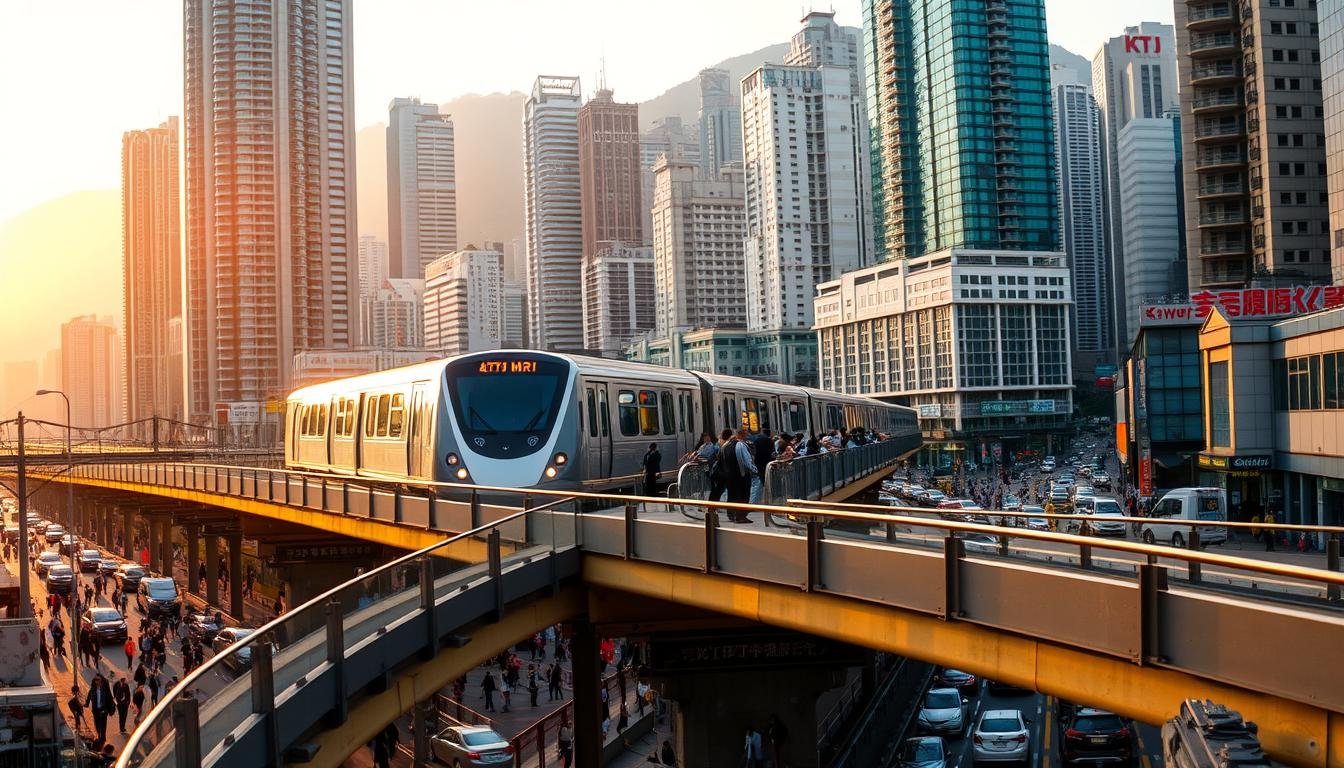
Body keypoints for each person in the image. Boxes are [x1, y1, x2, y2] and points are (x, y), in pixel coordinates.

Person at [721, 429, 758, 521]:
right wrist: (754, 470)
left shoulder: (725, 445)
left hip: (729, 474)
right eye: (745, 435)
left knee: (732, 495)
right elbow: (746, 460)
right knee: (743, 495)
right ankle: (741, 516)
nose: (746, 437)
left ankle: (731, 514)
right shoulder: (741, 445)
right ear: (741, 435)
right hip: (742, 475)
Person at [86, 676, 114, 744]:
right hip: (95, 710)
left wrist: (109, 710)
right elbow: (88, 698)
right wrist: (86, 704)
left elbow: (110, 699)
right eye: (95, 680)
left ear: (101, 681)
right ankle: (99, 735)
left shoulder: (105, 689)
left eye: (98, 680)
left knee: (103, 724)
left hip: (103, 710)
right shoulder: (92, 689)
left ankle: (103, 737)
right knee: (97, 724)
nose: (97, 681)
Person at [750, 429, 775, 505]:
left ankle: (754, 502)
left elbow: (754, 452)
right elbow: (772, 452)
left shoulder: (757, 440)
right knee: (767, 481)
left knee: (759, 481)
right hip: (767, 462)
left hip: (758, 463)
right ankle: (770, 499)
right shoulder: (770, 441)